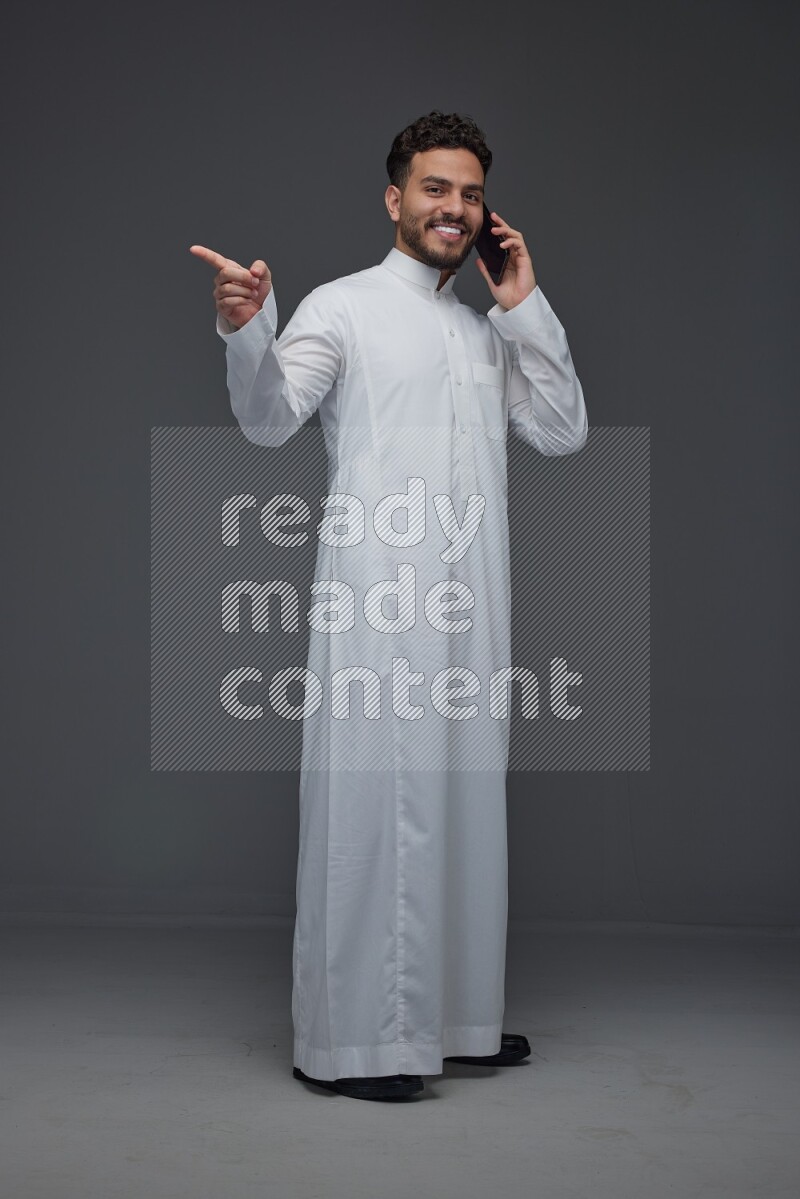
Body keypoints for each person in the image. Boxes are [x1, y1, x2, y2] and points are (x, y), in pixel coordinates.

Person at [191, 110, 588, 1102]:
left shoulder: (482, 327)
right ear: (393, 198)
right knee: (373, 810)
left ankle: (453, 1019)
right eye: (433, 189)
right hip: (377, 602)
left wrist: (524, 305)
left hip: (472, 604)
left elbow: (563, 429)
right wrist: (248, 327)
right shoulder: (344, 306)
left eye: (468, 193)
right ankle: (352, 1042)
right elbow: (268, 414)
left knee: (460, 805)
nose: (453, 208)